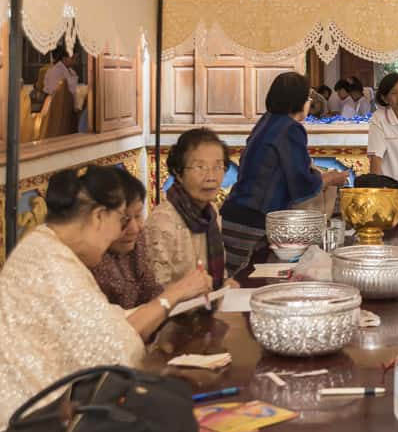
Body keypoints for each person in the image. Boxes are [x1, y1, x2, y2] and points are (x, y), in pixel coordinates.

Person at [0, 167, 148, 423]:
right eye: (121, 220)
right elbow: (117, 354)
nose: (121, 231)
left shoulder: (42, 243)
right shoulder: (53, 264)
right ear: (100, 216)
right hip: (24, 429)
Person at [221, 72, 349, 273]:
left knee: (232, 277)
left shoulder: (267, 120)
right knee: (245, 279)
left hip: (234, 214)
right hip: (254, 222)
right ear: (298, 101)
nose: (308, 103)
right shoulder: (291, 129)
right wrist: (330, 178)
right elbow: (301, 183)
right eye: (307, 98)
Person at [92, 169, 212, 312]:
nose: (134, 228)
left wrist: (188, 293)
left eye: (138, 216)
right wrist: (178, 292)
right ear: (98, 217)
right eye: (124, 219)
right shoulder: (91, 257)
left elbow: (153, 294)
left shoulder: (138, 240)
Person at [146, 128, 230, 288]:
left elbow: (218, 274)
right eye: (200, 167)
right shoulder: (163, 221)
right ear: (178, 173)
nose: (211, 177)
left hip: (208, 303)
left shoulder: (211, 211)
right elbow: (156, 291)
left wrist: (223, 285)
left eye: (218, 167)